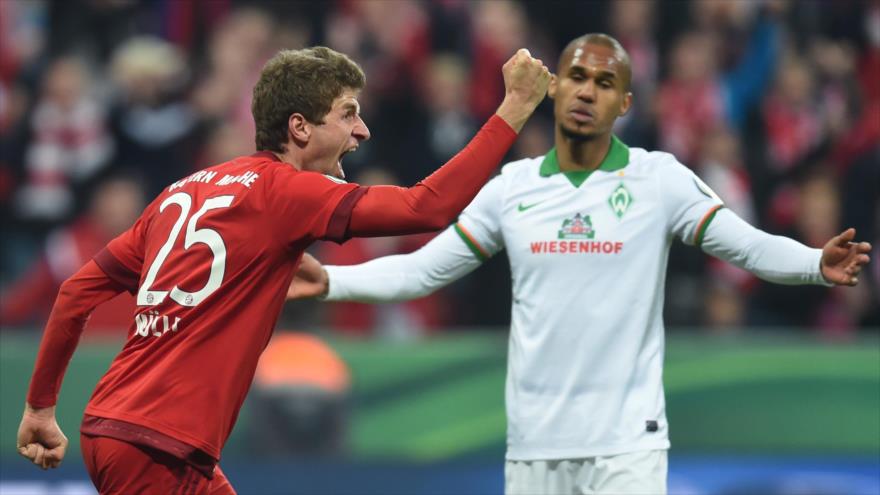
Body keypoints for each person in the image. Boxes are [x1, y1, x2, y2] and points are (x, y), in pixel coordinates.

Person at [288, 35, 872, 495]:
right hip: (535, 445)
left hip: (627, 447)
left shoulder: (657, 179)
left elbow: (742, 244)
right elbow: (425, 270)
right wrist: (333, 280)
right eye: (576, 76)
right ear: (554, 88)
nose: (587, 91)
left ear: (626, 102)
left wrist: (813, 263)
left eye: (605, 81)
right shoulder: (511, 187)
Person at [16, 46, 551, 494]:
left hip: (136, 433)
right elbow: (425, 208)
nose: (362, 130)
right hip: (155, 443)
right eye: (347, 113)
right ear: (299, 127)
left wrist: (41, 408)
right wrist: (514, 109)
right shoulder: (286, 192)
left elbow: (74, 292)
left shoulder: (185, 189)